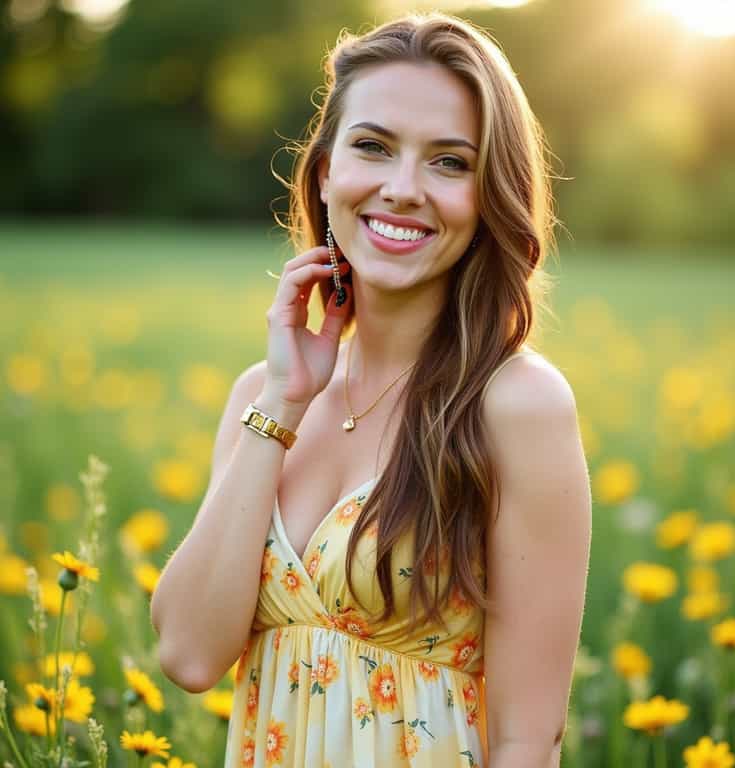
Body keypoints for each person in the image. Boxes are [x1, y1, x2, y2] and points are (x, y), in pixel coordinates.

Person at [150, 11, 592, 768]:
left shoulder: (516, 405)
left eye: (449, 163)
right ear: (325, 173)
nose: (402, 189)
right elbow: (190, 655)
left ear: (490, 196)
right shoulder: (263, 396)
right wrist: (284, 403)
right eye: (373, 147)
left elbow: (529, 739)